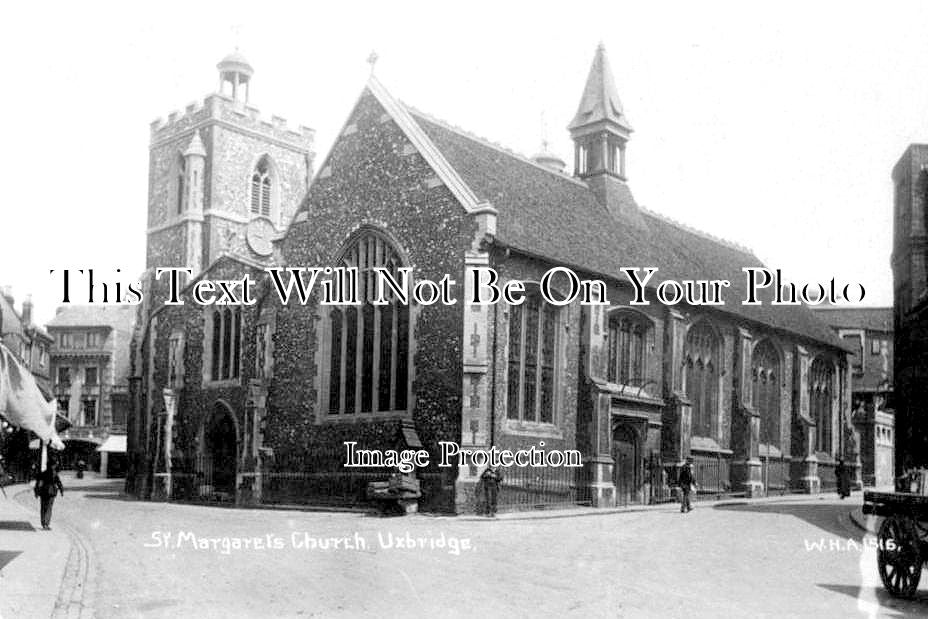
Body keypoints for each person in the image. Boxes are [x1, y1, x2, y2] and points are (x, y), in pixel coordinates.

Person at [34, 464, 64, 530]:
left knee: (43, 508)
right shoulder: (54, 474)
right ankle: (46, 524)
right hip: (51, 492)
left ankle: (43, 523)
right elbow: (59, 482)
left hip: (43, 492)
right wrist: (61, 490)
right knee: (49, 508)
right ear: (52, 466)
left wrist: (36, 492)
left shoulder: (43, 473)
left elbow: (39, 483)